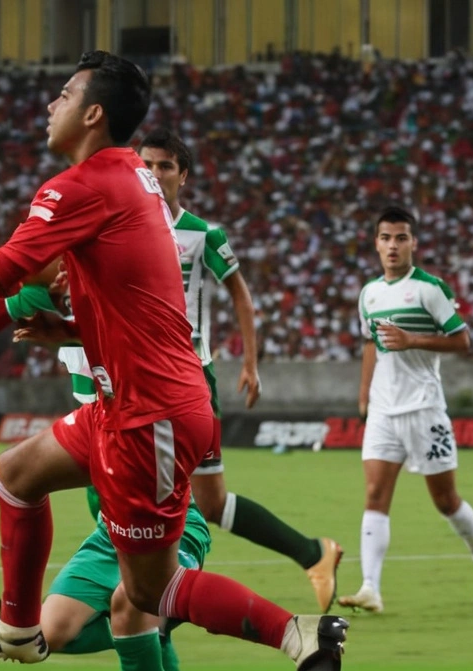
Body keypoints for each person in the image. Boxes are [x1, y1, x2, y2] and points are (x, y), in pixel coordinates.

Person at [0, 51, 345, 671]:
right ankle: (18, 627)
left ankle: (300, 633)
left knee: (145, 598)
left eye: (63, 93)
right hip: (129, 404)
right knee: (15, 472)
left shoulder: (79, 189)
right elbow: (21, 299)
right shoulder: (132, 181)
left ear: (93, 112)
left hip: (145, 416)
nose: (48, 104)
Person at [0, 282, 202, 671]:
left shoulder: (122, 269)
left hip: (139, 453)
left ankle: (177, 611)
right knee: (68, 628)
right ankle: (144, 618)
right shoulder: (48, 286)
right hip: (99, 457)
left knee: (137, 608)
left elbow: (141, 331)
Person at [138, 127, 342, 611]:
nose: (154, 173)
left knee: (203, 501)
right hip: (141, 379)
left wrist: (250, 362)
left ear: (182, 176)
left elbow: (240, 293)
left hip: (190, 378)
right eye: (146, 164)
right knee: (152, 490)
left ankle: (161, 598)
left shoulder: (202, 234)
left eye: (164, 165)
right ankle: (310, 553)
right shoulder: (126, 228)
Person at [338, 206, 473, 615]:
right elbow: (370, 344)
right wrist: (363, 395)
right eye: (386, 238)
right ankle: (370, 586)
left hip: (424, 409)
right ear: (376, 243)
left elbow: (463, 342)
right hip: (383, 410)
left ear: (413, 243)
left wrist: (412, 340)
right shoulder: (369, 293)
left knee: (445, 501)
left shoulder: (430, 289)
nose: (393, 245)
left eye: (401, 238)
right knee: (374, 494)